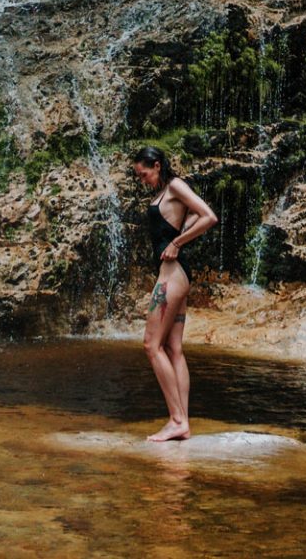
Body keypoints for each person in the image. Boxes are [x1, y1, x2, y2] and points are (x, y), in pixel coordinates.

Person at [131, 146, 218, 442]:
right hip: (176, 274)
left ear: (156, 165)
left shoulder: (175, 185)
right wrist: (180, 236)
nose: (141, 179)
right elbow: (194, 216)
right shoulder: (166, 192)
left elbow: (208, 216)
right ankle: (183, 423)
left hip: (172, 275)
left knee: (150, 345)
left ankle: (177, 419)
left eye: (143, 173)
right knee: (173, 349)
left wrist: (178, 243)